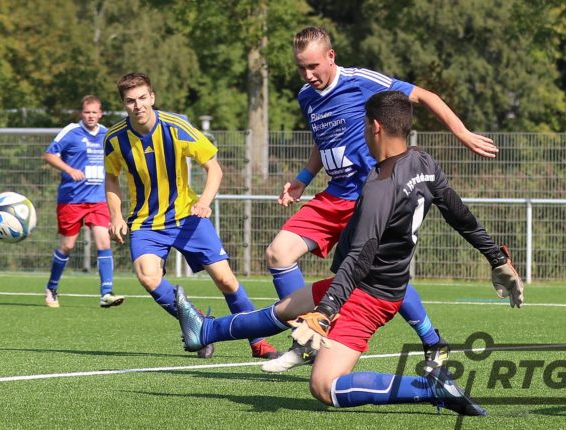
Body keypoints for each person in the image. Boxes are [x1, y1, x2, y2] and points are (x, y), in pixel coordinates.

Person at [176, 91, 524, 415]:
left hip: (368, 296)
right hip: (375, 284)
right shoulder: (423, 162)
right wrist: (498, 259)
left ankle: (430, 386)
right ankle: (205, 331)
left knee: (324, 386)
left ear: (375, 127)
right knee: (286, 308)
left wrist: (326, 311)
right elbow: (461, 216)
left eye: (364, 126)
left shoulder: (380, 186)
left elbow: (361, 255)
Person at [262, 26, 499, 372]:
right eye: (301, 68)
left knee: (378, 276)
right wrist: (302, 179)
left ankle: (432, 340)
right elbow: (322, 141)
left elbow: (425, 96)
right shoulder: (306, 96)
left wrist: (461, 132)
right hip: (334, 195)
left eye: (313, 66)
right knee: (278, 253)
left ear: (331, 56)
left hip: (371, 196)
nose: (308, 74)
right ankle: (308, 334)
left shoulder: (360, 81)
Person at [103, 72, 279, 359]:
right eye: (131, 101)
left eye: (143, 98)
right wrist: (116, 216)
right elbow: (111, 178)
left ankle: (259, 342)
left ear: (152, 97)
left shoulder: (175, 127)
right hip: (146, 223)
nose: (138, 105)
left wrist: (205, 202)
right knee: (148, 276)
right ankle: (197, 324)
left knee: (226, 281)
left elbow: (214, 168)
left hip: (188, 217)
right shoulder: (114, 138)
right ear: (124, 104)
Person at [43, 95, 124, 309]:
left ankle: (106, 293)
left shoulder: (107, 134)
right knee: (67, 246)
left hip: (98, 199)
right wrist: (69, 169)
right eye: (87, 112)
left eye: (94, 112)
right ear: (82, 113)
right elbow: (49, 155)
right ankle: (52, 287)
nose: (91, 116)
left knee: (104, 242)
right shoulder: (71, 131)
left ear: (100, 114)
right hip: (71, 199)